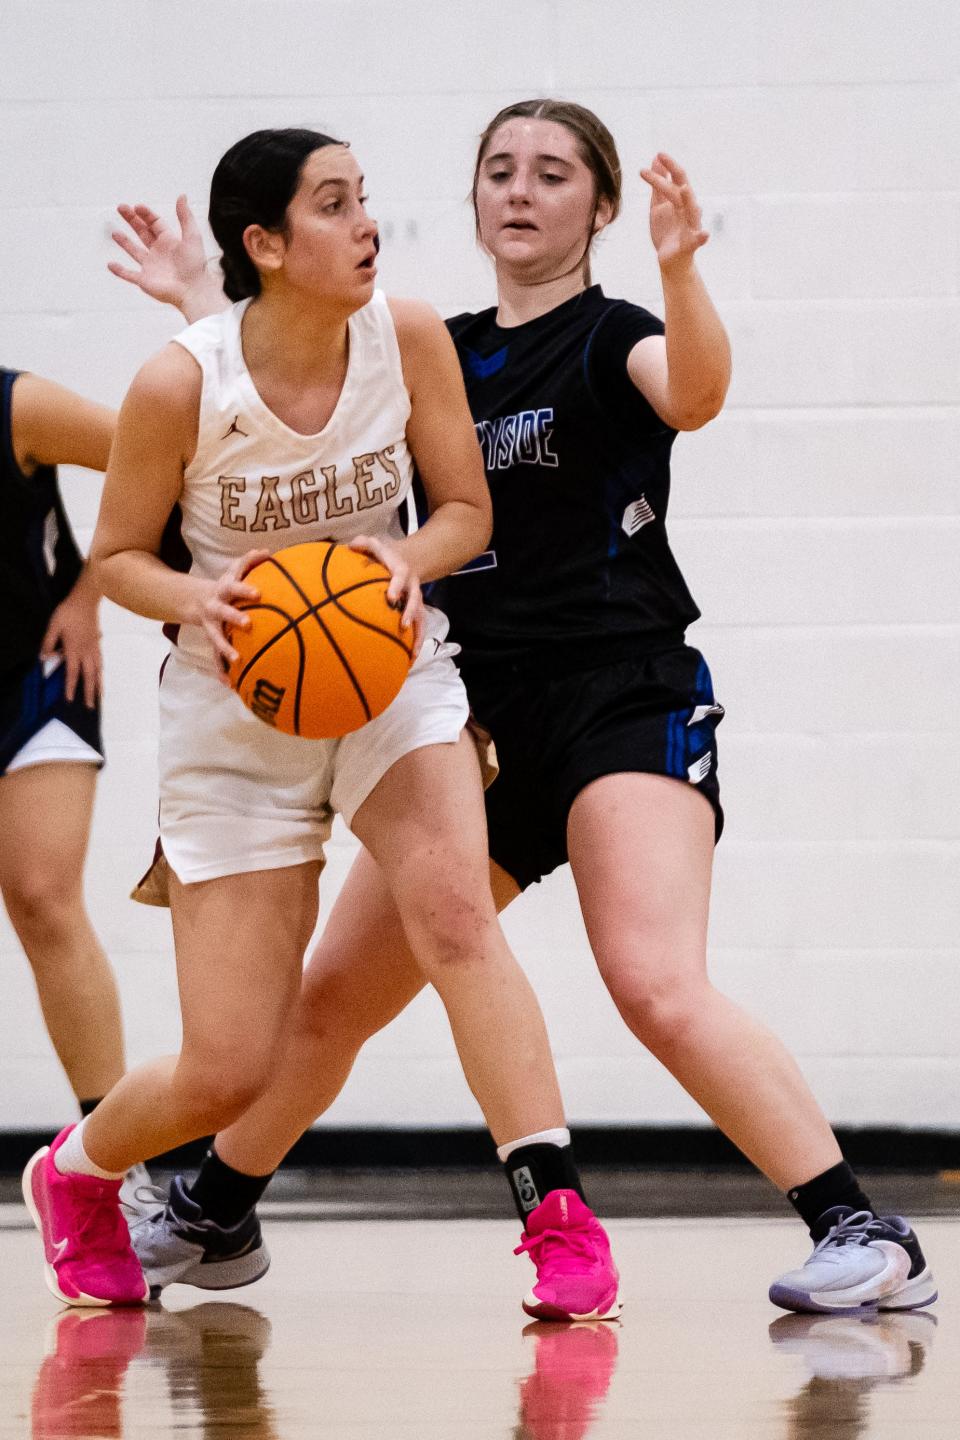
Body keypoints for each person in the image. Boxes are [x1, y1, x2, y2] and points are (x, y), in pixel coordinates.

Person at [111, 100, 935, 1318]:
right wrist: (203, 300)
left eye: (553, 174)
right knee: (333, 997)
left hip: (619, 692)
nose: (519, 191)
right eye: (499, 169)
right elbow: (281, 416)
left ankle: (860, 1227)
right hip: (465, 715)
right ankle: (214, 1210)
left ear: (598, 206)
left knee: (652, 977)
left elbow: (696, 393)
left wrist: (682, 266)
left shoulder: (614, 338)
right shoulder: (416, 347)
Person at [23, 126, 619, 1320]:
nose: (368, 228)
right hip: (234, 712)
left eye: (366, 200)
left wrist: (406, 557)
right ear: (266, 244)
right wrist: (199, 594)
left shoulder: (402, 337)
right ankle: (72, 1174)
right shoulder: (181, 382)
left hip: (390, 672)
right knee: (228, 1065)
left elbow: (462, 507)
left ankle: (557, 1211)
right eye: (337, 206)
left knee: (454, 911)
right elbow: (118, 554)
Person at [1, 368, 150, 1208]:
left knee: (43, 896)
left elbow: (156, 454)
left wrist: (93, 590)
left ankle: (113, 1166)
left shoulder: (21, 404)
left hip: (37, 669)